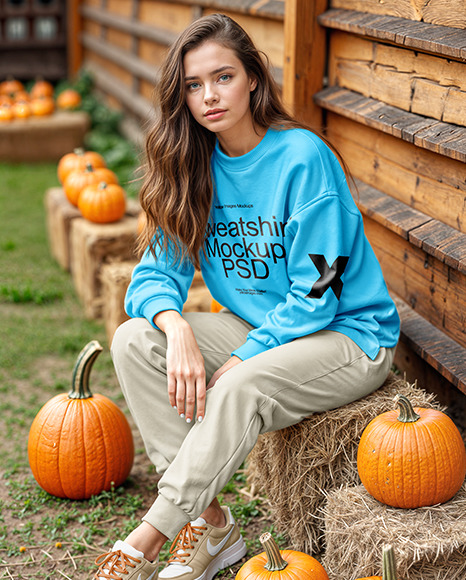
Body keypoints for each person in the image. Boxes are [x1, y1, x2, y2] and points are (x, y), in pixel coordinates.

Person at [94, 12, 400, 580]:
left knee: (242, 381)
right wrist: (178, 326)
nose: (209, 96)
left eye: (224, 77)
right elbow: (153, 279)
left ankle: (146, 539)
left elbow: (318, 294)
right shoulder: (193, 166)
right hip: (266, 328)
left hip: (347, 335)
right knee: (135, 339)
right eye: (193, 85)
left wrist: (241, 355)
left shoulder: (303, 158)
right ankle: (212, 526)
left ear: (253, 78)